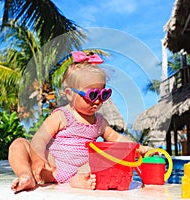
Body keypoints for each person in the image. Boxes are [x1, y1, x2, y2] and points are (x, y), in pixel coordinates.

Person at [8, 51, 150, 193]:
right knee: (19, 144)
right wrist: (38, 159)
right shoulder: (62, 115)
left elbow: (116, 138)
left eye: (103, 94)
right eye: (92, 94)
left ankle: (77, 180)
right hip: (52, 167)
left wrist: (137, 148)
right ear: (70, 94)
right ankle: (26, 175)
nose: (98, 100)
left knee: (105, 162)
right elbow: (39, 139)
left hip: (82, 169)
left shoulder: (99, 121)